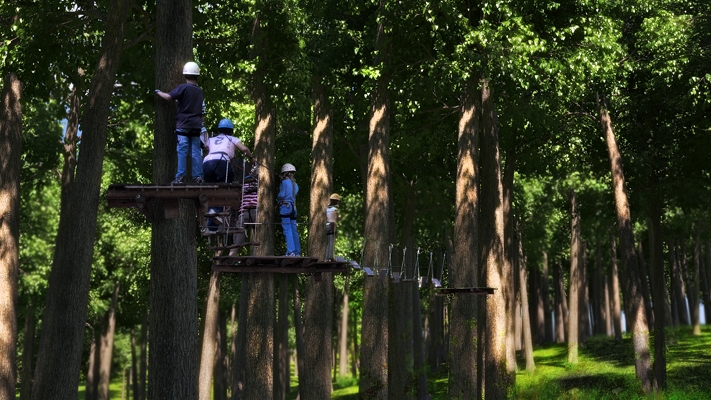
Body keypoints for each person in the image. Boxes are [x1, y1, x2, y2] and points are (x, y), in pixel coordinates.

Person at [155, 61, 206, 184]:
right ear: (197, 76)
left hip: (183, 125)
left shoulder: (182, 88)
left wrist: (158, 92)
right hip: (195, 125)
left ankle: (180, 177)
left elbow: (168, 97)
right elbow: (202, 111)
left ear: (184, 75)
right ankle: (198, 177)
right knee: (195, 152)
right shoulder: (199, 91)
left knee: (182, 151)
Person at [202, 118, 253, 183]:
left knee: (210, 186)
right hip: (222, 162)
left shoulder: (211, 139)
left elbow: (204, 146)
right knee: (227, 183)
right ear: (231, 130)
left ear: (219, 130)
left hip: (207, 162)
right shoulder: (233, 139)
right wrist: (251, 158)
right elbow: (244, 149)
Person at [229, 162, 259, 257]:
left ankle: (232, 255)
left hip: (244, 212)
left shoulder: (242, 186)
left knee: (237, 238)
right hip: (255, 212)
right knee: (257, 236)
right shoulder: (260, 186)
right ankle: (255, 255)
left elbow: (236, 201)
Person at [277, 163, 300, 256]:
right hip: (293, 208)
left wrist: (278, 197)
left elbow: (282, 195)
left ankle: (290, 251)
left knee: (287, 229)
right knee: (293, 229)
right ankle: (297, 252)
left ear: (284, 173)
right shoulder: (295, 185)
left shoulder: (284, 183)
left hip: (285, 207)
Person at [325, 193, 340, 261]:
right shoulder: (335, 209)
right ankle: (331, 257)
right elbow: (336, 219)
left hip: (327, 225)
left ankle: (327, 257)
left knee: (328, 241)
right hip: (333, 225)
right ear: (335, 201)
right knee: (332, 241)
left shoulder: (327, 208)